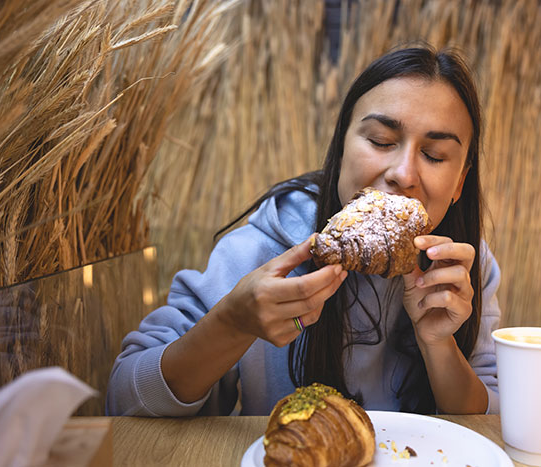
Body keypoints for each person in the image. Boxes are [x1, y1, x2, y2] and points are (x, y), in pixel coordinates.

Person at [106, 46, 501, 417]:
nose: (403, 173)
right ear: (341, 148)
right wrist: (233, 324)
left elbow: (496, 415)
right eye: (381, 141)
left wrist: (438, 344)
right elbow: (124, 399)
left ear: (459, 184)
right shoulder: (257, 254)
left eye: (434, 155)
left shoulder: (464, 269)